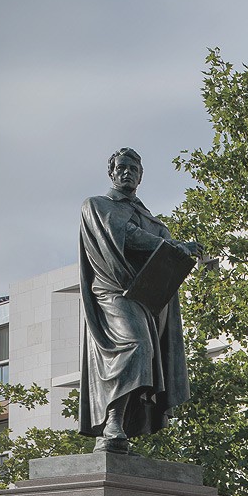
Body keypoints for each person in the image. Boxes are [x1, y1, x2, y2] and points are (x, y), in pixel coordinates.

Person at [79, 147, 202, 452]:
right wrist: (170, 245)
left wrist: (175, 250)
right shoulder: (98, 206)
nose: (127, 172)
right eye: (121, 167)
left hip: (146, 301)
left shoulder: (155, 223)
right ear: (111, 172)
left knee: (146, 354)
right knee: (136, 346)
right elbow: (125, 234)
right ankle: (112, 422)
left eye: (133, 169)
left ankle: (121, 425)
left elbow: (160, 252)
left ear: (141, 176)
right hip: (112, 294)